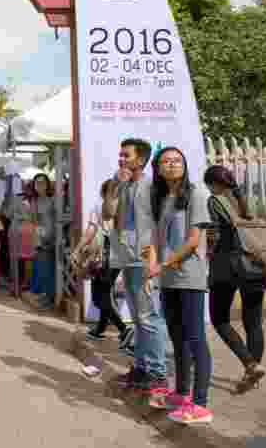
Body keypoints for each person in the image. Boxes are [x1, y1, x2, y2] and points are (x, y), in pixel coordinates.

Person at [148, 147, 213, 424]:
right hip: (168, 278)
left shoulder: (197, 194)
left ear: (184, 165)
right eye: (166, 161)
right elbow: (153, 238)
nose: (172, 165)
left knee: (195, 337)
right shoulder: (162, 198)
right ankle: (181, 393)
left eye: (177, 161)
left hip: (189, 276)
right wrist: (151, 266)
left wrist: (164, 264)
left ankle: (200, 404)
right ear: (158, 168)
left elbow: (193, 240)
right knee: (177, 337)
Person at [105, 138, 168, 397]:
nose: (121, 159)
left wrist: (155, 259)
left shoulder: (152, 186)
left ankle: (157, 372)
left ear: (141, 160)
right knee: (137, 316)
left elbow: (162, 223)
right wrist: (115, 187)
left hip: (144, 257)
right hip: (124, 255)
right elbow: (108, 213)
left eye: (126, 156)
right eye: (120, 155)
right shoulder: (119, 183)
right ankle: (141, 368)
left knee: (147, 315)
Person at [204, 165, 266, 394]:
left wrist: (207, 255)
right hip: (257, 264)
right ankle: (252, 373)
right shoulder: (254, 200)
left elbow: (214, 235)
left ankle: (250, 364)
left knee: (219, 318)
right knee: (253, 322)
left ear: (212, 184)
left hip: (227, 267)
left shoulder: (215, 201)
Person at [76, 180, 128, 343]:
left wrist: (78, 248)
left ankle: (124, 329)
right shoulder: (125, 209)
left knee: (99, 297)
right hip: (119, 253)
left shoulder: (99, 207)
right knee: (105, 292)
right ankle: (100, 328)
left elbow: (91, 231)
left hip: (105, 253)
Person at [28, 174, 59, 310]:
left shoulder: (52, 200)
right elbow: (35, 222)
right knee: (42, 269)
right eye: (37, 183)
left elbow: (56, 220)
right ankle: (46, 296)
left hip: (52, 238)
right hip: (40, 238)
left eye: (42, 183)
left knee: (49, 269)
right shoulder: (34, 202)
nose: (39, 186)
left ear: (47, 185)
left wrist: (53, 237)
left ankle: (50, 298)